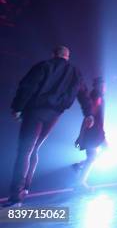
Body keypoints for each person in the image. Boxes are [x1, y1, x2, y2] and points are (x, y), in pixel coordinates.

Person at [5, 46, 93, 207]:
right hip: (54, 115)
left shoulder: (44, 66)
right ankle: (25, 189)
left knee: (25, 151)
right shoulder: (75, 72)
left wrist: (17, 107)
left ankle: (15, 198)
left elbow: (28, 86)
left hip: (35, 112)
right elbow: (84, 94)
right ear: (67, 56)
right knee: (35, 149)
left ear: (53, 54)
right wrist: (88, 114)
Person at [73, 77, 107, 189]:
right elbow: (88, 118)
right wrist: (81, 135)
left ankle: (80, 166)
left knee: (100, 152)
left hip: (97, 132)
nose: (104, 88)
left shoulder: (99, 97)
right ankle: (80, 182)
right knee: (93, 157)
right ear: (97, 86)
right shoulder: (96, 97)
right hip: (93, 133)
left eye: (104, 85)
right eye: (102, 85)